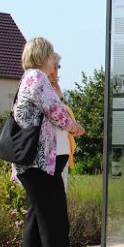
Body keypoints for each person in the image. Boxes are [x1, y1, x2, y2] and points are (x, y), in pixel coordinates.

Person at [13, 37, 87, 247]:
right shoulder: (37, 78)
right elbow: (54, 109)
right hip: (42, 163)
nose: (54, 60)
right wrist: (73, 126)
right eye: (51, 55)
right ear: (43, 56)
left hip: (35, 163)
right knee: (55, 221)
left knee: (37, 220)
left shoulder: (30, 78)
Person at [48, 53, 76, 190]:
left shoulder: (54, 85)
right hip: (51, 151)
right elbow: (56, 113)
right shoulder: (43, 86)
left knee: (59, 191)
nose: (58, 69)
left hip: (61, 149)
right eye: (57, 66)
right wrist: (73, 127)